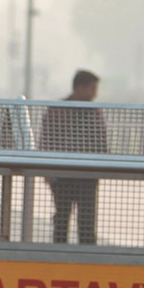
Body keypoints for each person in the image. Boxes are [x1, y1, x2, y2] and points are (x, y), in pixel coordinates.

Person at [39, 69, 107, 245]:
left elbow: (101, 142)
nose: (95, 93)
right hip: (62, 176)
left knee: (87, 222)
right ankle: (59, 258)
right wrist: (48, 172)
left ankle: (86, 260)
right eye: (92, 88)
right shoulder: (58, 111)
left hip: (87, 176)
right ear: (80, 87)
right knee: (61, 220)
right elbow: (46, 141)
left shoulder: (95, 112)